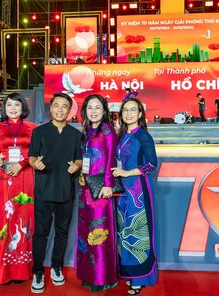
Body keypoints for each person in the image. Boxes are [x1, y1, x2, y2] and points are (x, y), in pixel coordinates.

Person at [28, 92, 83, 294]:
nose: (60, 109)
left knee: (62, 232)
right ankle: (38, 271)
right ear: (50, 108)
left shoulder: (76, 135)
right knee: (40, 233)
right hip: (43, 190)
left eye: (64, 106)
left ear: (70, 111)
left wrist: (75, 167)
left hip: (66, 190)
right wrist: (36, 164)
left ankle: (57, 266)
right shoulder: (39, 132)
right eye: (56, 105)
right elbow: (31, 157)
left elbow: (79, 159)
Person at [111, 98, 158, 295]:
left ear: (140, 114)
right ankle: (129, 274)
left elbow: (151, 164)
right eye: (125, 110)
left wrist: (127, 173)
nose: (129, 114)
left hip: (137, 190)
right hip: (122, 192)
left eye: (133, 110)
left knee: (139, 233)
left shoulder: (143, 136)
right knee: (124, 232)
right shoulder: (122, 135)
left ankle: (139, 277)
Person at [0, 92, 37, 285]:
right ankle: (4, 271)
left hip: (25, 176)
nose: (13, 109)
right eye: (9, 105)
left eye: (17, 105)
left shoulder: (32, 128)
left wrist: (22, 164)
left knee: (25, 218)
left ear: (23, 108)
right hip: (4, 177)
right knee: (5, 220)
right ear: (4, 108)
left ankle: (21, 270)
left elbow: (35, 153)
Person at [77, 94, 119, 292]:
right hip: (85, 188)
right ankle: (89, 274)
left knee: (100, 232)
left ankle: (103, 277)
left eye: (97, 108)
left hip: (101, 189)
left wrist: (108, 185)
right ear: (85, 111)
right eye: (90, 108)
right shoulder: (87, 130)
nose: (93, 111)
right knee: (87, 232)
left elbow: (111, 159)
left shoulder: (107, 131)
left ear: (104, 111)